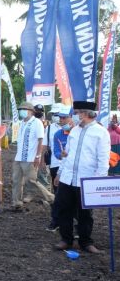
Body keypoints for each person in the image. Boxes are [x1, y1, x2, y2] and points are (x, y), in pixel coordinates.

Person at [53, 101, 110, 253]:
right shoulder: (74, 131)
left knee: (85, 212)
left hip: (87, 179)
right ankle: (66, 239)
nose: (75, 116)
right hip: (67, 177)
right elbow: (66, 154)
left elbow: (103, 159)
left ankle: (85, 241)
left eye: (77, 113)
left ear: (85, 114)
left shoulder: (101, 132)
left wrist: (98, 181)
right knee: (64, 209)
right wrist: (59, 173)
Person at [11, 101, 54, 211]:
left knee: (32, 181)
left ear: (30, 112)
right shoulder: (22, 123)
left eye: (23, 110)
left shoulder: (37, 123)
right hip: (19, 157)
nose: (21, 112)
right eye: (20, 110)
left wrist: (38, 156)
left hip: (30, 158)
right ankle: (16, 202)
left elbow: (41, 140)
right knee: (16, 180)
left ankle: (50, 198)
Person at [46, 107, 73, 232]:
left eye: (64, 117)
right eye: (60, 117)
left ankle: (75, 224)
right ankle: (56, 221)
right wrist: (60, 155)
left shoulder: (78, 132)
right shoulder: (58, 134)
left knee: (76, 198)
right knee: (59, 196)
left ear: (72, 117)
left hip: (75, 169)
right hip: (58, 167)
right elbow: (56, 151)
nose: (61, 120)